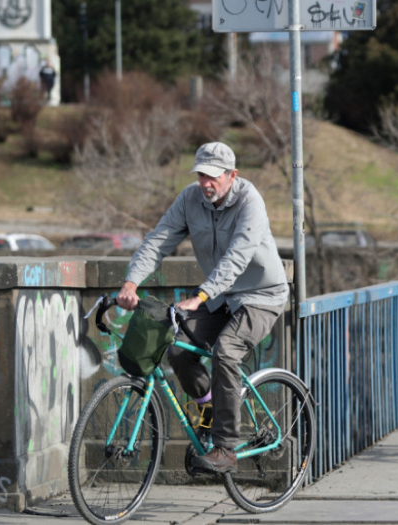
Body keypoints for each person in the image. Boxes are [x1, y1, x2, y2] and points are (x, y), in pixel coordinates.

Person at [116, 142, 289, 474]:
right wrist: (131, 282)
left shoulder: (250, 201)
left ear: (231, 175)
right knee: (177, 345)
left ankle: (225, 448)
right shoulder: (189, 199)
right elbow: (158, 240)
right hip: (222, 298)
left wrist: (200, 295)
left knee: (226, 352)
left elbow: (238, 256)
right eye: (201, 175)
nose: (205, 183)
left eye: (212, 176)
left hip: (261, 296)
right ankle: (208, 409)